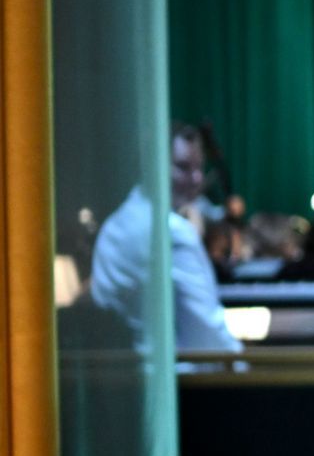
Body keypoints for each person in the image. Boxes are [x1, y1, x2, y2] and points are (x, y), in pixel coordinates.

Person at [89, 121, 244, 361]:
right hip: (172, 384)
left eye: (199, 168)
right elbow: (208, 340)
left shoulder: (115, 223)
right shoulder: (172, 231)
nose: (195, 179)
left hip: (122, 375)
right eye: (183, 167)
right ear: (154, 165)